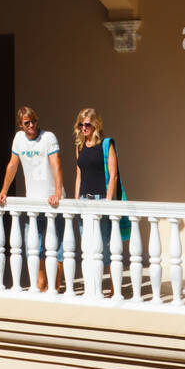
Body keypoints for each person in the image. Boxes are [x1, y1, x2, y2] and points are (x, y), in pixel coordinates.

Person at [0, 107, 64, 291]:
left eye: (33, 121)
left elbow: (56, 165)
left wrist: (57, 192)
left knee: (56, 249)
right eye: (27, 123)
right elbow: (12, 165)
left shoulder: (48, 138)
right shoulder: (18, 139)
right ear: (21, 125)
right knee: (34, 248)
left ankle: (55, 287)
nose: (32, 125)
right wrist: (3, 191)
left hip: (53, 204)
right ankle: (41, 286)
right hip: (33, 204)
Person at [73, 108, 118, 293]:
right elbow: (78, 175)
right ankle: (92, 287)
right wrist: (76, 201)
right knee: (88, 245)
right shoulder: (79, 146)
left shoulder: (106, 145)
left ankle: (115, 288)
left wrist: (107, 201)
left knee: (105, 245)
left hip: (101, 199)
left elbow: (113, 175)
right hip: (84, 199)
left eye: (87, 125)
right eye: (81, 124)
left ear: (95, 125)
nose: (84, 128)